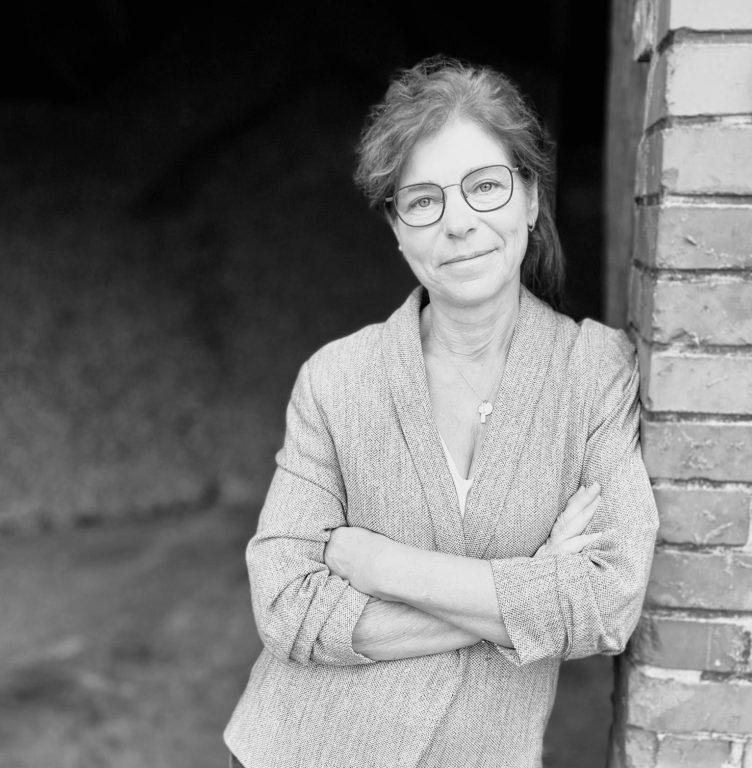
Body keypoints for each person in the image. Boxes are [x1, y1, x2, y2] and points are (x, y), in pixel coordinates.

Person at [223, 56, 658, 768]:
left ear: (529, 198)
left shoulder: (594, 372)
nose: (459, 223)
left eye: (484, 186)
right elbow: (284, 605)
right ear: (398, 229)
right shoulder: (337, 379)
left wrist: (381, 564)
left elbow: (607, 603)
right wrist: (530, 581)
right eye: (423, 200)